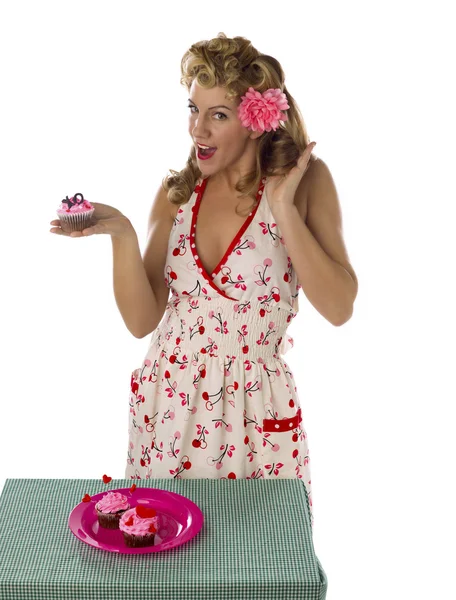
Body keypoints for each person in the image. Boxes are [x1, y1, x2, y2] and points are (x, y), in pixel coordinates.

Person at [50, 33, 358, 531]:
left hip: (257, 412)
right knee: (164, 558)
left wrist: (283, 210)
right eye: (193, 108)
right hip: (168, 405)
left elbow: (341, 306)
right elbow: (141, 320)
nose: (198, 127)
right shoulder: (178, 192)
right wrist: (122, 234)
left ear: (257, 120)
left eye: (218, 114)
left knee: (259, 563)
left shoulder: (305, 182)